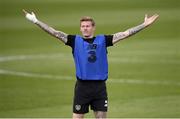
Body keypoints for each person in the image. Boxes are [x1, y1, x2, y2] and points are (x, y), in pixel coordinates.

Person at [23, 9, 159, 119]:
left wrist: (144, 25)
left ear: (93, 27)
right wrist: (36, 21)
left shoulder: (103, 40)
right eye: (83, 26)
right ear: (80, 28)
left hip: (99, 87)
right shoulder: (74, 41)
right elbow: (54, 32)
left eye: (88, 26)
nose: (85, 28)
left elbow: (125, 34)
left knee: (101, 118)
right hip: (82, 87)